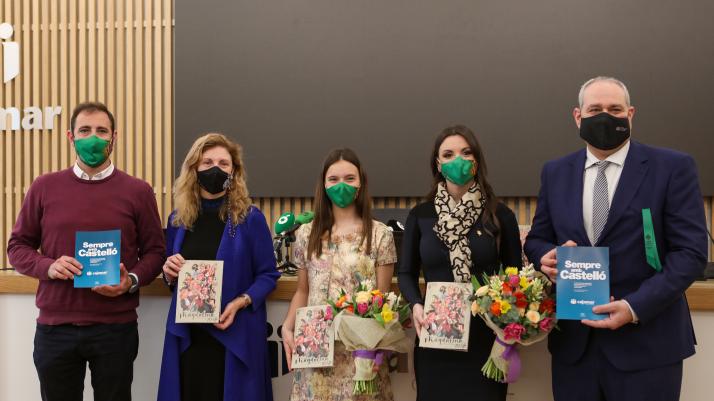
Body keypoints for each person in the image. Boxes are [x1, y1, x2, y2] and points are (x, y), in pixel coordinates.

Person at [524, 76, 708, 401]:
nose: (605, 116)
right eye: (595, 109)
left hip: (647, 345)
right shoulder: (555, 172)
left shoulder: (672, 167)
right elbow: (538, 239)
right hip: (575, 351)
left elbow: (690, 253)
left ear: (631, 114)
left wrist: (634, 306)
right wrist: (547, 255)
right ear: (578, 116)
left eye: (615, 109)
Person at [7, 101, 166, 401]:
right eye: (85, 130)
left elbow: (156, 252)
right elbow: (17, 247)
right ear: (70, 136)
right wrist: (48, 266)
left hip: (115, 329)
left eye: (101, 131)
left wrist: (130, 280)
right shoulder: (44, 187)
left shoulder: (138, 191)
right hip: (55, 328)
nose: (93, 138)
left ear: (114, 137)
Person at [398, 125, 523, 401]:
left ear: (476, 161)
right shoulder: (421, 215)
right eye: (449, 153)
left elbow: (516, 278)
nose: (458, 159)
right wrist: (415, 305)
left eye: (466, 153)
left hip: (487, 340)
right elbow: (406, 272)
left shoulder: (500, 215)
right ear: (438, 164)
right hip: (435, 337)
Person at [157, 133, 280, 401]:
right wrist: (169, 272)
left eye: (224, 163)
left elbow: (268, 275)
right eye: (207, 162)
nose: (216, 168)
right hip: (190, 337)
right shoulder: (178, 220)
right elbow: (172, 278)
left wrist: (240, 302)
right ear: (194, 169)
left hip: (233, 333)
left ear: (234, 171)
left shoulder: (250, 218)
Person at [281, 148, 397, 401]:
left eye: (349, 178)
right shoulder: (306, 234)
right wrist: (287, 328)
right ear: (323, 185)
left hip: (360, 357)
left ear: (360, 184)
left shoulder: (380, 235)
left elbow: (384, 300)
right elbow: (303, 291)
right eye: (333, 179)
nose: (341, 185)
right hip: (315, 353)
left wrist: (379, 350)